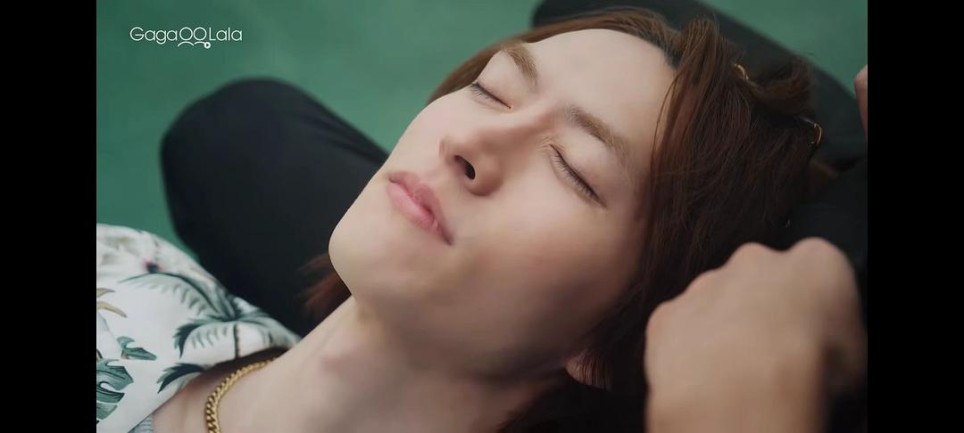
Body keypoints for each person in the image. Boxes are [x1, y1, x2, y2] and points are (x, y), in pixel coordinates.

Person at [97, 7, 866, 433]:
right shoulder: (124, 266)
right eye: (493, 91)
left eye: (573, 168)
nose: (469, 142)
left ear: (607, 341)